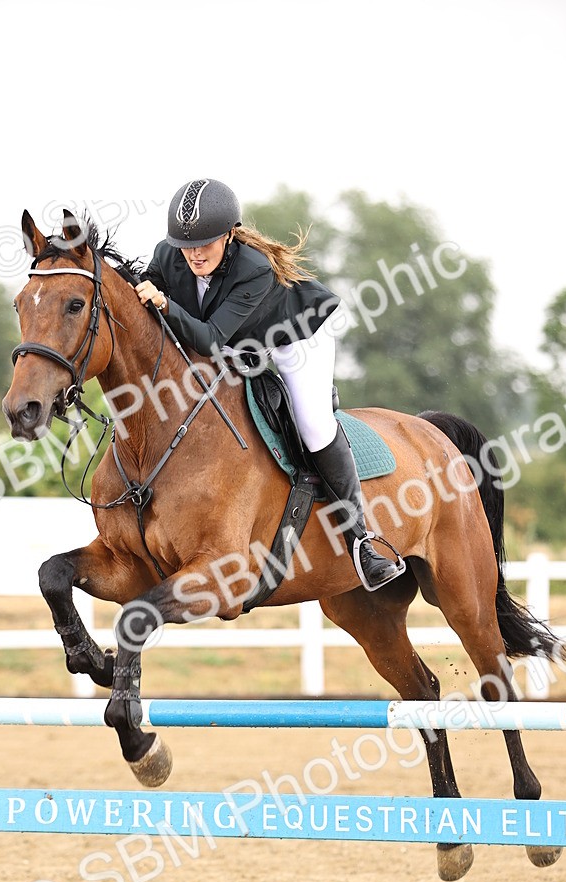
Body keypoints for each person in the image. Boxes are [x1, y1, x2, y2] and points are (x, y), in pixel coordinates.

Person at [135, 178, 405, 591]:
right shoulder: (168, 256)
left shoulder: (254, 269)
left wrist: (166, 304)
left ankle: (362, 542)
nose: (195, 253)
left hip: (298, 336)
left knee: (313, 424)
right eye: (186, 245)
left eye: (206, 242)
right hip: (244, 342)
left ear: (229, 234)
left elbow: (208, 339)